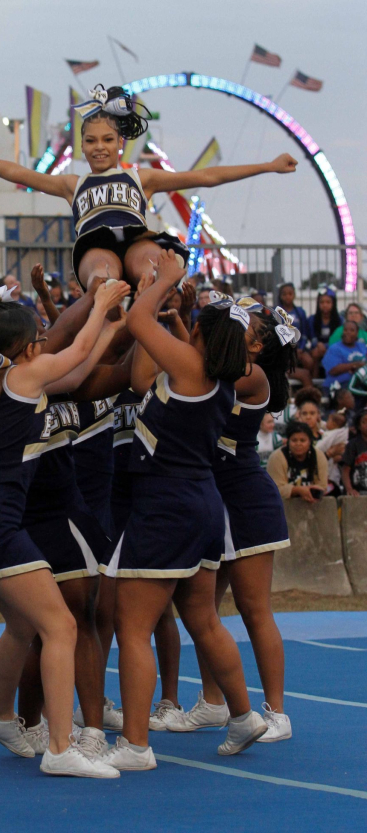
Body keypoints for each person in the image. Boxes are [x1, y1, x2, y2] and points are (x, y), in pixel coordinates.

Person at [0, 278, 128, 778]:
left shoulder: (0, 375)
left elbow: (78, 369)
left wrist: (110, 329)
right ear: (29, 347)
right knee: (62, 626)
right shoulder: (23, 377)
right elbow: (80, 347)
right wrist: (103, 305)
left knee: (23, 626)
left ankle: (1, 715)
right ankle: (61, 748)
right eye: (41, 339)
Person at [101, 250, 267, 772]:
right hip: (200, 504)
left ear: (200, 330)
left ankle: (134, 744)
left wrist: (165, 280)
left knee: (132, 626)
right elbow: (142, 375)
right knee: (202, 617)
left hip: (166, 504)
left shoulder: (193, 366)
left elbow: (135, 320)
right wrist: (156, 284)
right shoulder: (213, 374)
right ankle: (241, 714)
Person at [0, 85, 297, 290]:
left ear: (119, 144)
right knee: (103, 277)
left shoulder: (142, 178)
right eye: (92, 140)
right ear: (82, 146)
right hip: (95, 245)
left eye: (108, 139)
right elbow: (16, 172)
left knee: (153, 269)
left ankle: (153, 312)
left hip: (136, 239)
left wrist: (268, 166)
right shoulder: (72, 184)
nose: (99, 146)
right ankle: (109, 320)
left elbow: (206, 176)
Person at [164, 297, 299, 743]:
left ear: (256, 347)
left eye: (238, 333)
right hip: (213, 499)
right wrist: (185, 322)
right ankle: (212, 702)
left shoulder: (251, 376)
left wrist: (179, 329)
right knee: (202, 610)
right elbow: (196, 363)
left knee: (253, 607)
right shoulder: (223, 366)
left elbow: (197, 371)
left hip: (246, 500)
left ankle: (277, 711)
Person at [266, 421, 328, 501]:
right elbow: (275, 489)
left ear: (309, 442)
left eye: (302, 440)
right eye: (294, 440)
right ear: (288, 441)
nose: (298, 444)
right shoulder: (277, 457)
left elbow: (322, 485)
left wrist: (315, 490)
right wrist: (298, 490)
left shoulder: (318, 456)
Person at [321, 320, 367, 389]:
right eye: (345, 330)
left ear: (357, 333)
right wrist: (355, 365)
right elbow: (333, 370)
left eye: (352, 330)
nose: (348, 332)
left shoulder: (362, 346)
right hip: (339, 385)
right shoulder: (335, 348)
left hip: (360, 382)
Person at [310, 286, 342, 376]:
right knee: (315, 353)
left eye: (328, 302)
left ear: (333, 304)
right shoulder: (312, 319)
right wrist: (318, 345)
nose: (325, 305)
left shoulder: (340, 320)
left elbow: (338, 339)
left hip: (333, 347)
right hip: (317, 348)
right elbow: (312, 337)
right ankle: (314, 382)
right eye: (322, 302)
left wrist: (326, 346)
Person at [317, 412, 350, 493]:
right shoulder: (336, 431)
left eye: (328, 420)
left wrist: (316, 450)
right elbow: (324, 425)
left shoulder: (333, 434)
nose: (326, 422)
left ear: (334, 424)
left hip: (331, 468)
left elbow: (321, 446)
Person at [340, 411, 367, 497]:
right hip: (358, 492)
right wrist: (349, 489)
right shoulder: (353, 444)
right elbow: (345, 470)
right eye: (364, 422)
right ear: (358, 426)